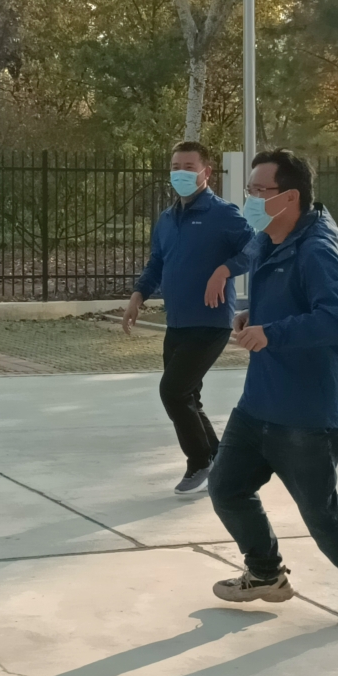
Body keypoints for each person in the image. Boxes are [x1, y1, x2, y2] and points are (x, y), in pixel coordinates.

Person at [207, 149, 338, 627]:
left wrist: (272, 332)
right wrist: (255, 316)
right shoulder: (272, 238)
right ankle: (265, 572)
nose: (251, 200)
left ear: (290, 197)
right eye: (249, 190)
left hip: (306, 407)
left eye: (260, 191)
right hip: (259, 399)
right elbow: (284, 299)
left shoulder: (316, 250)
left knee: (318, 507)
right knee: (227, 486)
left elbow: (335, 320)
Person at [122, 141, 253, 495]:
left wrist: (223, 270)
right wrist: (138, 295)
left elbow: (254, 248)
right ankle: (222, 463)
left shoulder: (223, 214)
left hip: (210, 322)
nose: (181, 173)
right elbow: (157, 263)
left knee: (173, 391)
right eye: (175, 167)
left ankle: (199, 461)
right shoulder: (167, 219)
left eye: (189, 167)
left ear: (206, 172)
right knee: (188, 397)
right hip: (177, 322)